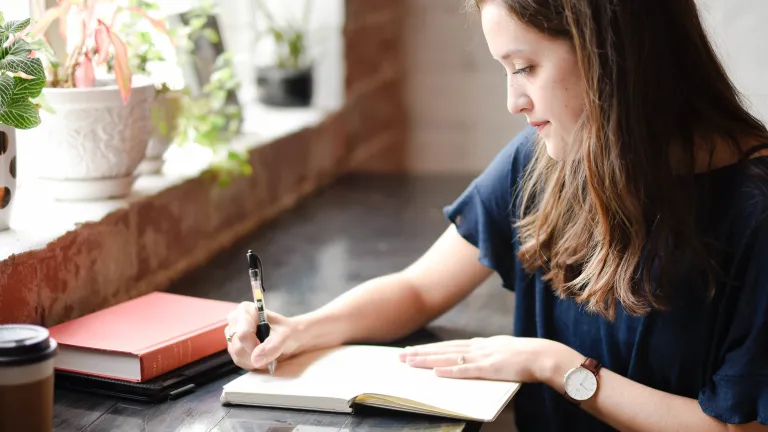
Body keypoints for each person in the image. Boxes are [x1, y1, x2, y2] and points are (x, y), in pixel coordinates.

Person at [225, 0, 768, 430]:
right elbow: (419, 289)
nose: (514, 101)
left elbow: (738, 428)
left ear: (611, 53)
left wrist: (556, 366)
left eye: (525, 67)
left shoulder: (756, 211)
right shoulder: (544, 161)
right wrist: (302, 329)